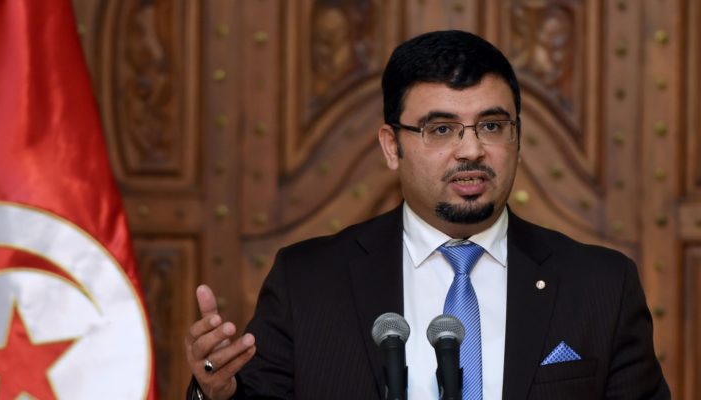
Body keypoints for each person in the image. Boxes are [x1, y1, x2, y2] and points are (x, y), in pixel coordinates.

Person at [184, 30, 670, 399]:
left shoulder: (602, 285)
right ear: (392, 146)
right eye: (441, 129)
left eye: (493, 125)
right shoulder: (307, 282)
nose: (472, 150)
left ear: (518, 138)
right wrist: (216, 393)